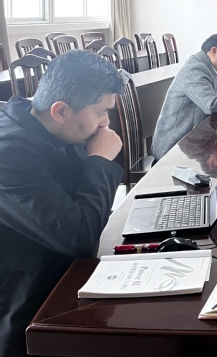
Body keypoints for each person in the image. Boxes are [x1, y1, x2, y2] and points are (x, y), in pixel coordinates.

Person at [0, 51, 125, 357]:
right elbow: (79, 236)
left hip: (61, 273)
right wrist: (99, 160)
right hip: (26, 304)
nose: (106, 122)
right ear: (60, 111)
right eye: (100, 112)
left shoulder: (54, 129)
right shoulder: (11, 154)